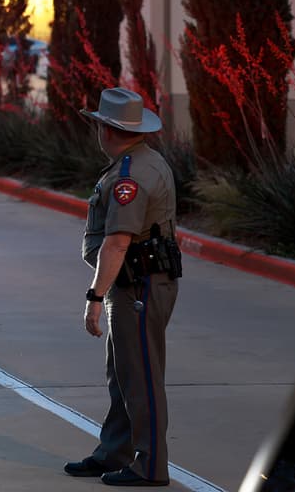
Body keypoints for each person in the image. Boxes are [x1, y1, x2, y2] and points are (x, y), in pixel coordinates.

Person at [64, 87, 181, 487]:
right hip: (135, 284)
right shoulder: (141, 162)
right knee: (123, 374)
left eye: (99, 125)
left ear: (108, 130)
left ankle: (150, 466)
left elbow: (117, 242)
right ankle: (114, 452)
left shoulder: (130, 176)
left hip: (139, 287)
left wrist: (94, 297)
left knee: (141, 378)